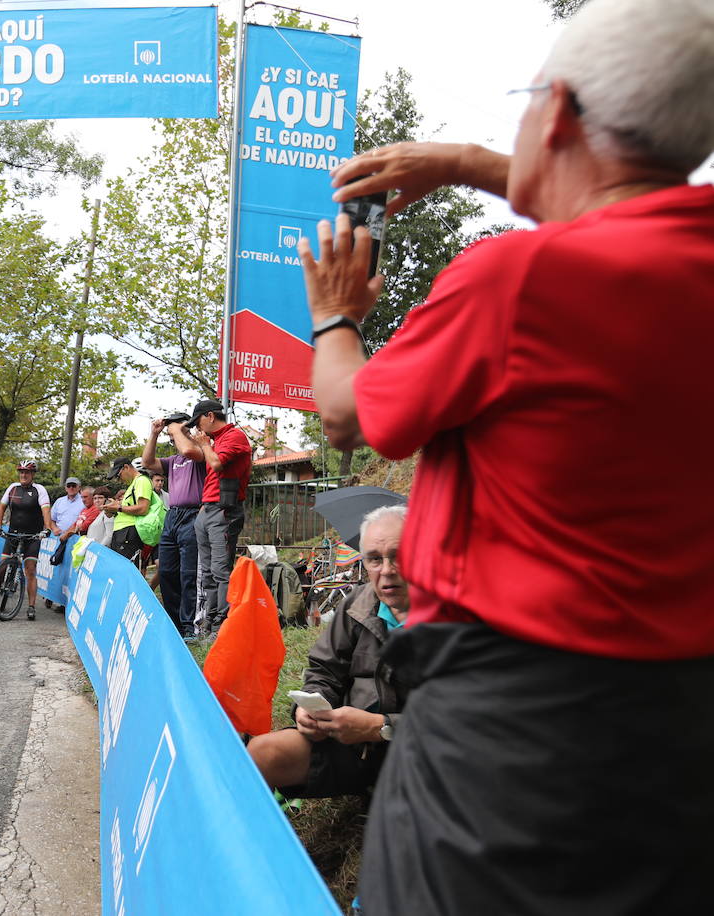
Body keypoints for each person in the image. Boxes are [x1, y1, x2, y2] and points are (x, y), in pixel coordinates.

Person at [300, 1, 714, 910]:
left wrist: (336, 315)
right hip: (681, 742)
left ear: (557, 113)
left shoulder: (513, 283)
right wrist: (467, 165)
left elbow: (343, 416)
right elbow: (622, 210)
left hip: (508, 747)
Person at [245, 506, 408, 799]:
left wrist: (379, 727)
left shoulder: (456, 619)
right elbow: (324, 671)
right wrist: (309, 709)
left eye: (398, 556)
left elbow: (465, 722)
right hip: (351, 747)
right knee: (262, 753)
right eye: (374, 559)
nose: (386, 571)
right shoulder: (356, 604)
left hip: (425, 754)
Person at [169, 399, 252, 637]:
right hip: (208, 510)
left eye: (199, 422)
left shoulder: (234, 436)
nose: (199, 428)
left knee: (219, 570)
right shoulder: (216, 440)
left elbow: (215, 464)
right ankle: (209, 622)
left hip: (224, 510)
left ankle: (221, 625)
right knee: (206, 572)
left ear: (211, 416)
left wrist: (205, 444)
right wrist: (181, 429)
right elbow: (194, 452)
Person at [143, 412, 207, 638]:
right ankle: (173, 623)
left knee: (188, 573)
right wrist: (154, 434)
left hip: (192, 514)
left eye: (175, 431)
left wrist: (179, 429)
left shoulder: (198, 451)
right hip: (173, 516)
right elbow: (148, 462)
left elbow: (189, 449)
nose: (173, 437)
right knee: (167, 571)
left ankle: (189, 625)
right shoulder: (174, 460)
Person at [0, 460, 54, 620]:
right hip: (13, 533)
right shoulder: (12, 488)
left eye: (27, 472)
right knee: (2, 564)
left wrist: (46, 529)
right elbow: (1, 507)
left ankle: (31, 606)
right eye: (21, 472)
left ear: (32, 475)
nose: (23, 475)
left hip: (32, 536)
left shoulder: (39, 490)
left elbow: (46, 511)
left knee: (30, 569)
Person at [43, 477, 87, 612]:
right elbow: (51, 519)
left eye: (74, 485)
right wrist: (54, 528)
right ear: (65, 487)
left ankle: (64, 602)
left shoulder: (83, 501)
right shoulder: (60, 501)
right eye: (69, 486)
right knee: (56, 567)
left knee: (70, 571)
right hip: (59, 539)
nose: (71, 488)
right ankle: (51, 595)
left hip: (75, 540)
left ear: (79, 487)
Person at [102, 456, 152, 565]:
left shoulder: (142, 481)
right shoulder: (132, 485)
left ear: (126, 467)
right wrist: (114, 507)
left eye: (118, 475)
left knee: (125, 572)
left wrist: (118, 507)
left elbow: (143, 508)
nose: (119, 480)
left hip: (129, 534)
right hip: (123, 533)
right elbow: (129, 508)